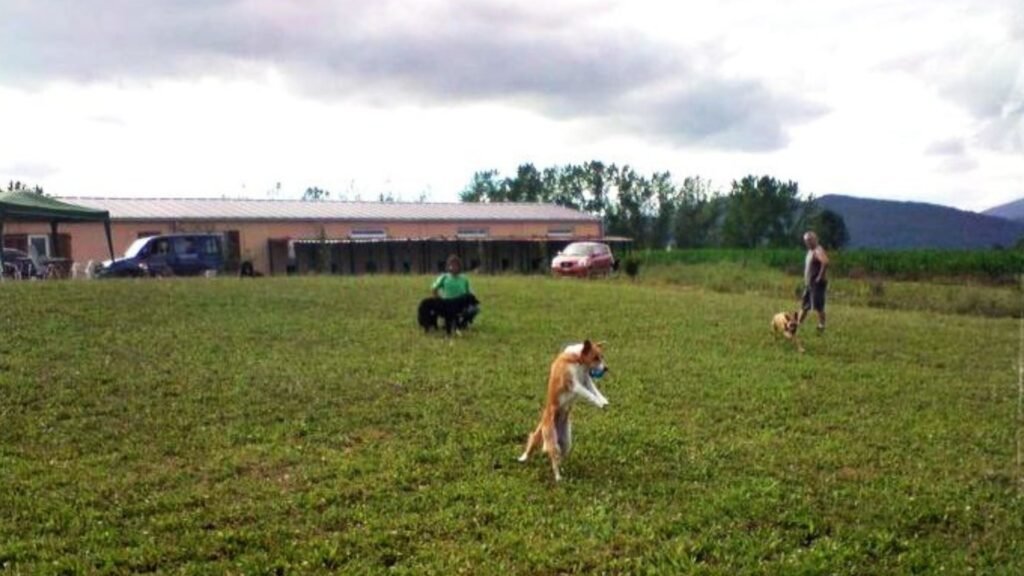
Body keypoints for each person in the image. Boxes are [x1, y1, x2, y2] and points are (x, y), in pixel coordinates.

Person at [431, 254, 478, 326]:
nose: (454, 267)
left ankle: (463, 322)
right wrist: (439, 300)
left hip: (461, 305)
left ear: (459, 266)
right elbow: (434, 288)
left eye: (456, 265)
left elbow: (470, 294)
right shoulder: (444, 277)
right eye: (452, 265)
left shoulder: (464, 278)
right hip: (447, 305)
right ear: (448, 266)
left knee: (474, 309)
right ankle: (446, 321)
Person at [799, 231, 829, 332]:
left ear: (815, 239)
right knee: (804, 305)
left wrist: (819, 277)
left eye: (809, 240)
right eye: (806, 241)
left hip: (816, 284)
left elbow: (825, 262)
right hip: (809, 283)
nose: (808, 243)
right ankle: (798, 324)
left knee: (818, 305)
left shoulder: (817, 250)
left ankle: (822, 325)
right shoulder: (810, 251)